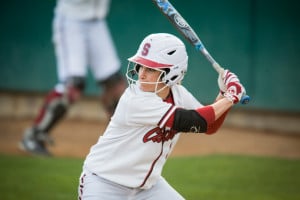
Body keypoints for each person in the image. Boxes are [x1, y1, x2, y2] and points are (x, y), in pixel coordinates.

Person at [77, 33, 246, 200]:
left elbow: (209, 126)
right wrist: (230, 97)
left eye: (150, 68)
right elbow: (192, 120)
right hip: (104, 183)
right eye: (141, 66)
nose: (141, 74)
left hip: (148, 188)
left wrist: (224, 94)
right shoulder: (134, 100)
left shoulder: (179, 94)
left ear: (171, 73)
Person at [19, 0, 127, 156]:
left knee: (115, 86)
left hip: (97, 22)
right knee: (72, 87)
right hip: (71, 20)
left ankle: (119, 142)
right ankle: (33, 136)